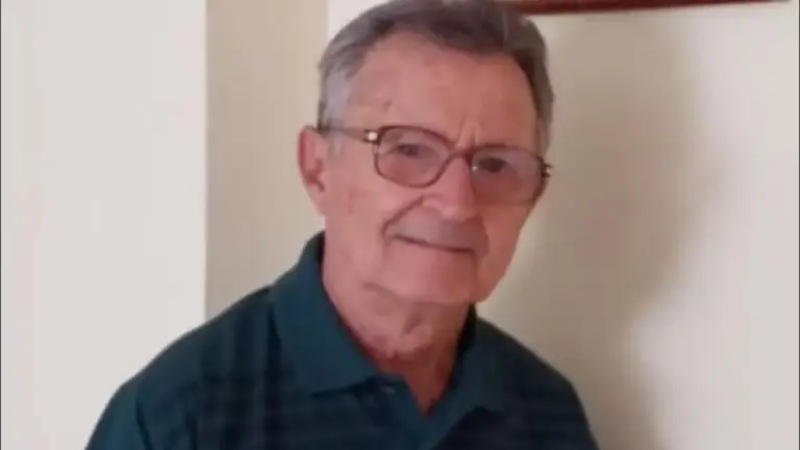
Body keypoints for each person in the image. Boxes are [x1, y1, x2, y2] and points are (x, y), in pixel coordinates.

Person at [86, 0, 599, 448]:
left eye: (495, 165)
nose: (456, 203)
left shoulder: (547, 415)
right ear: (317, 169)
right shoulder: (182, 416)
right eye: (409, 149)